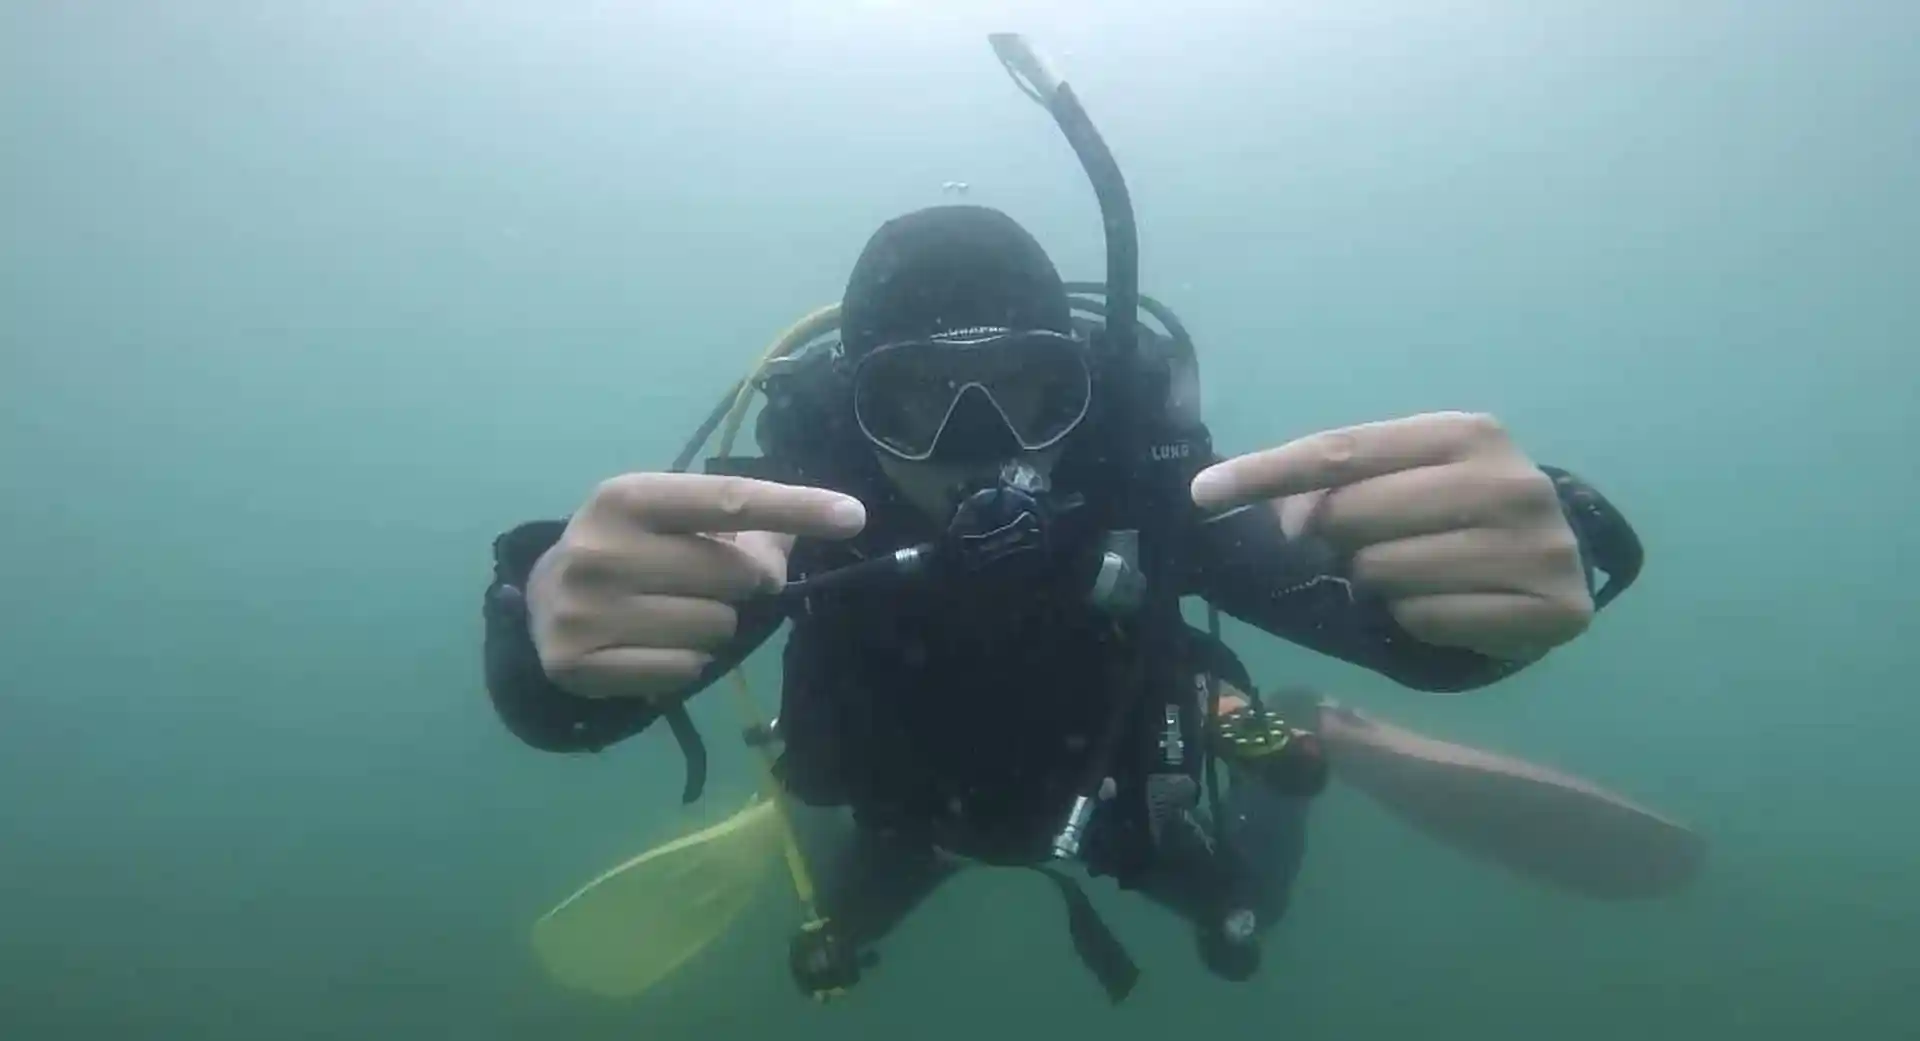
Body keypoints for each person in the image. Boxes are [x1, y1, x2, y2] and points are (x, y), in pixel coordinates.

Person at [482, 204, 1654, 1001]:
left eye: (1027, 390)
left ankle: (1304, 736)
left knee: (1240, 935)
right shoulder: (798, 512)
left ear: (1083, 393)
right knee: (825, 951)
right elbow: (596, 672)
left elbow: (1389, 612)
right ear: (855, 411)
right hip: (910, 817)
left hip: (1118, 796)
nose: (975, 448)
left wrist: (1510, 576)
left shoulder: (1137, 482)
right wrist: (542, 634)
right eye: (917, 401)